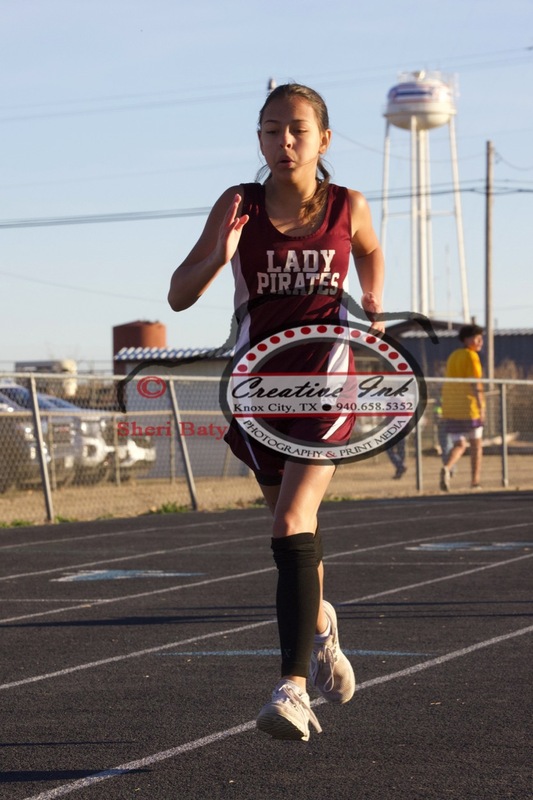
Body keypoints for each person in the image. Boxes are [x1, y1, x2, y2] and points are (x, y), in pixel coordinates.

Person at [168, 83, 385, 741]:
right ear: (258, 139)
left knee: (293, 518)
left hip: (325, 382)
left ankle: (290, 689)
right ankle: (319, 624)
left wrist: (371, 295)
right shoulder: (239, 204)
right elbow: (178, 296)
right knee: (288, 534)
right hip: (257, 388)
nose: (282, 141)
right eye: (269, 129)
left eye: (296, 129)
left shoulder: (347, 205)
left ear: (323, 139)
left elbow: (370, 251)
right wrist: (219, 253)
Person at [439, 324, 485, 491]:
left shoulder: (453, 356)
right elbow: (476, 382)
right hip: (469, 407)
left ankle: (447, 467)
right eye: (476, 337)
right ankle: (475, 482)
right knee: (476, 445)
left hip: (451, 407)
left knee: (460, 444)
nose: (480, 341)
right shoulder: (472, 356)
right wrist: (481, 406)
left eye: (481, 338)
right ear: (466, 339)